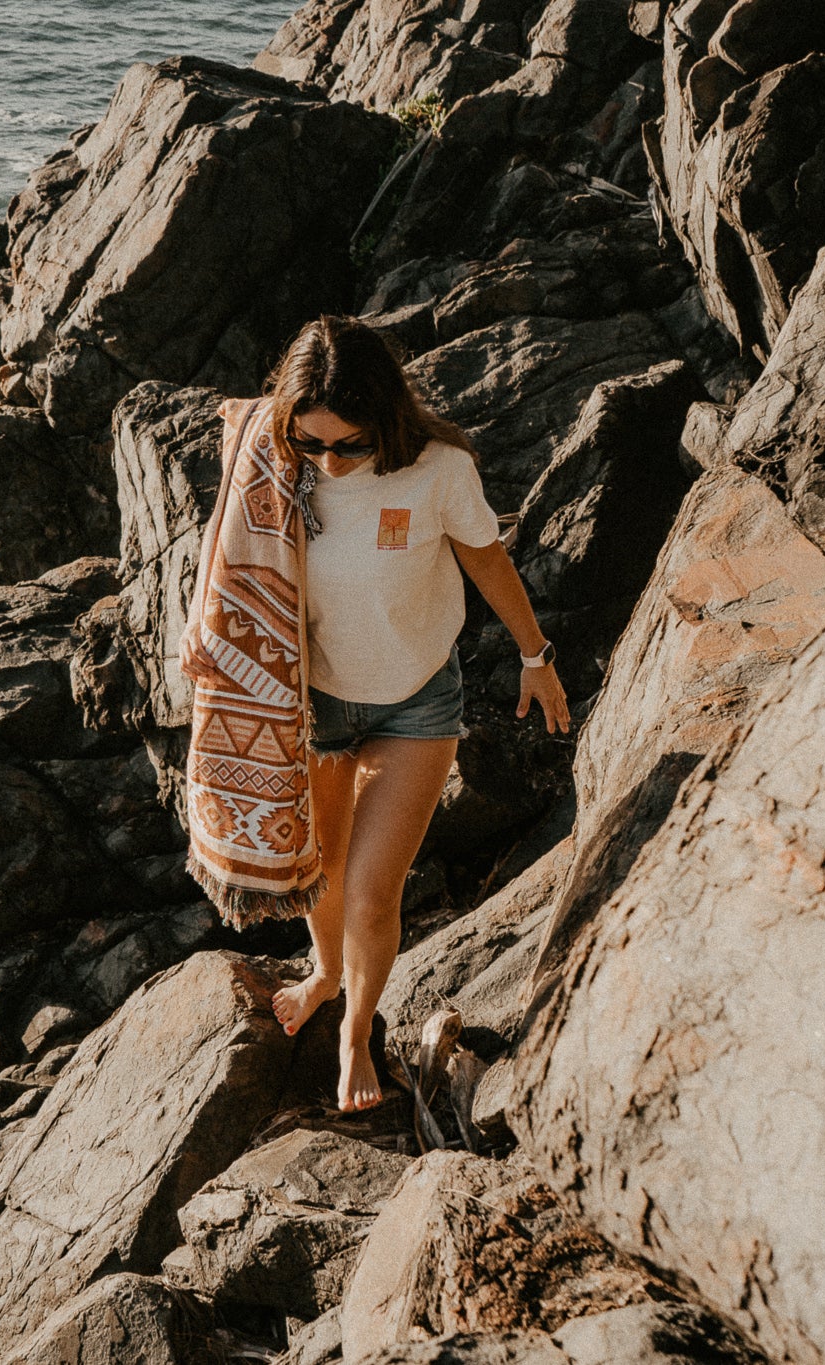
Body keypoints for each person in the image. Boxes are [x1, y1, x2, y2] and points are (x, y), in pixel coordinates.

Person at [182, 314, 568, 1113]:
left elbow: (487, 560)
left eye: (349, 444)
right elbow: (230, 524)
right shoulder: (276, 457)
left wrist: (536, 656)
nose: (330, 461)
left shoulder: (437, 469)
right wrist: (209, 631)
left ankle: (357, 1032)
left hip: (418, 702)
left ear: (385, 419)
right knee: (316, 869)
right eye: (312, 443)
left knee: (370, 891)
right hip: (315, 701)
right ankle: (325, 972)